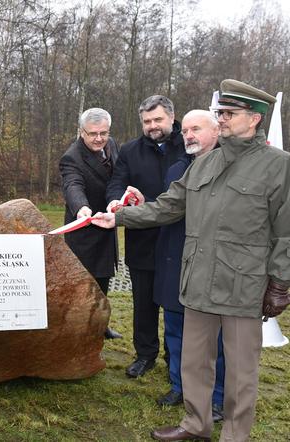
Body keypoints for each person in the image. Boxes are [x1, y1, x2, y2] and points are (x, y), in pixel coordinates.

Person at [92, 79, 290, 441]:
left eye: (229, 114)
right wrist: (119, 218)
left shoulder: (278, 166)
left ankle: (234, 435)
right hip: (196, 282)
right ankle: (196, 424)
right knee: (194, 362)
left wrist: (280, 283)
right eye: (221, 113)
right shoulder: (203, 163)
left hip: (241, 286)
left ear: (255, 119)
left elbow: (286, 231)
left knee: (241, 371)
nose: (223, 119)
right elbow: (168, 206)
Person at [150, 110, 225, 422]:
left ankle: (218, 397)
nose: (189, 135)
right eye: (186, 131)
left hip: (213, 268)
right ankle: (180, 386)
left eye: (197, 129)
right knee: (176, 331)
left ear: (217, 132)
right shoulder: (178, 168)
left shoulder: (231, 168)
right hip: (173, 261)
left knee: (217, 340)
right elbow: (163, 208)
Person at [105, 95, 184, 378]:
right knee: (144, 303)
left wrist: (147, 202)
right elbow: (117, 183)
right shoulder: (130, 150)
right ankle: (145, 354)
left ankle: (175, 356)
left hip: (179, 239)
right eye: (147, 121)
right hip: (143, 240)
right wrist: (116, 202)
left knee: (178, 305)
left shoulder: (189, 146)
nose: (152, 126)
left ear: (172, 118)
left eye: (158, 120)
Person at [59, 107, 121, 339]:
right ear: (81, 132)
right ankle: (80, 330)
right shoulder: (71, 157)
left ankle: (100, 324)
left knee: (104, 281)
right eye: (93, 133)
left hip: (108, 225)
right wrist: (82, 209)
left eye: (103, 133)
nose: (99, 139)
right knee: (85, 283)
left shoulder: (112, 144)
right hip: (84, 232)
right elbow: (72, 185)